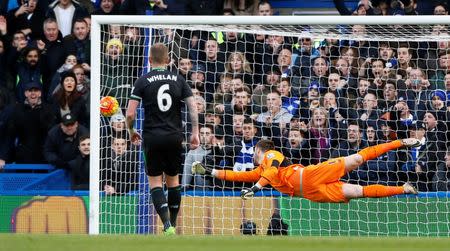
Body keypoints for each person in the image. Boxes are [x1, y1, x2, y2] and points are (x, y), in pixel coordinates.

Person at [192, 138, 420, 203]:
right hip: (313, 193)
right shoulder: (260, 171)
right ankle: (403, 189)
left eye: (254, 151)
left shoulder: (272, 155)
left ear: (260, 150)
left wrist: (257, 187)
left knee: (357, 158)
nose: (253, 155)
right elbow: (236, 175)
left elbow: (271, 172)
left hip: (311, 175)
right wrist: (208, 171)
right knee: (359, 191)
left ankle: (400, 143)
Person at [126, 43, 199, 235]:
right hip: (174, 136)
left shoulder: (143, 80)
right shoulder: (178, 79)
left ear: (150, 60)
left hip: (152, 137)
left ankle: (166, 224)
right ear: (168, 61)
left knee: (155, 183)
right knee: (173, 181)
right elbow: (193, 107)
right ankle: (173, 224)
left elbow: (130, 113)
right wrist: (195, 132)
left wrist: (131, 130)